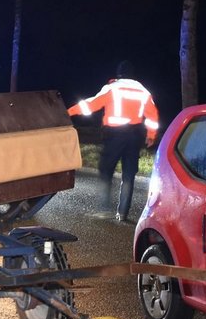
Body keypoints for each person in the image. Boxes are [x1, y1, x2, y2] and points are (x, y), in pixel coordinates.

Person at [68, 62, 160, 222]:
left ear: (119, 74)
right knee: (129, 175)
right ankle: (123, 213)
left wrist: (69, 111)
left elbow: (90, 105)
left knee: (106, 170)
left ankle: (104, 209)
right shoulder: (143, 91)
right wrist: (151, 135)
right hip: (135, 136)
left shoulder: (113, 88)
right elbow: (153, 115)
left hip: (115, 135)